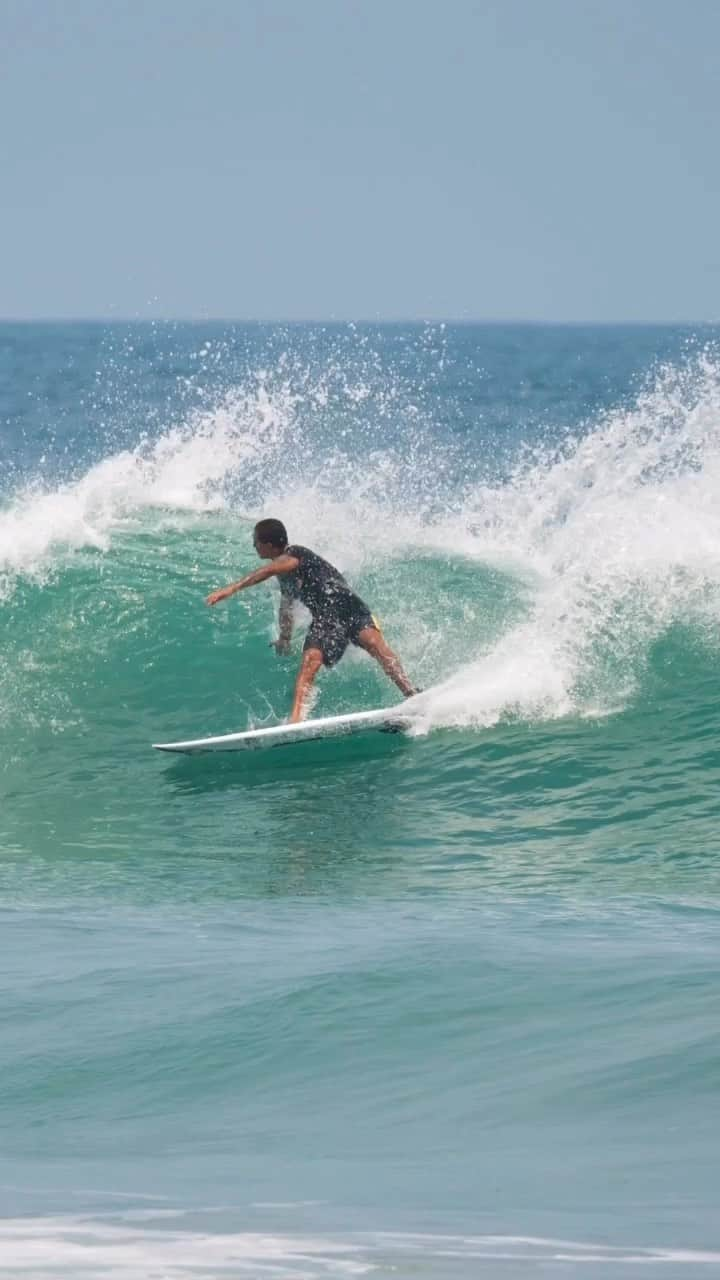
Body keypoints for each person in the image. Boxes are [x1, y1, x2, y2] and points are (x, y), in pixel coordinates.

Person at [206, 518, 418, 723]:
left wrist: (231, 588)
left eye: (256, 542)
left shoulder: (294, 554)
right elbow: (286, 607)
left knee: (375, 645)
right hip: (326, 615)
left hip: (347, 604)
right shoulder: (285, 574)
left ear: (269, 545)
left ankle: (412, 694)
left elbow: (267, 570)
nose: (254, 546)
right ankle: (296, 719)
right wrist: (284, 638)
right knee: (310, 661)